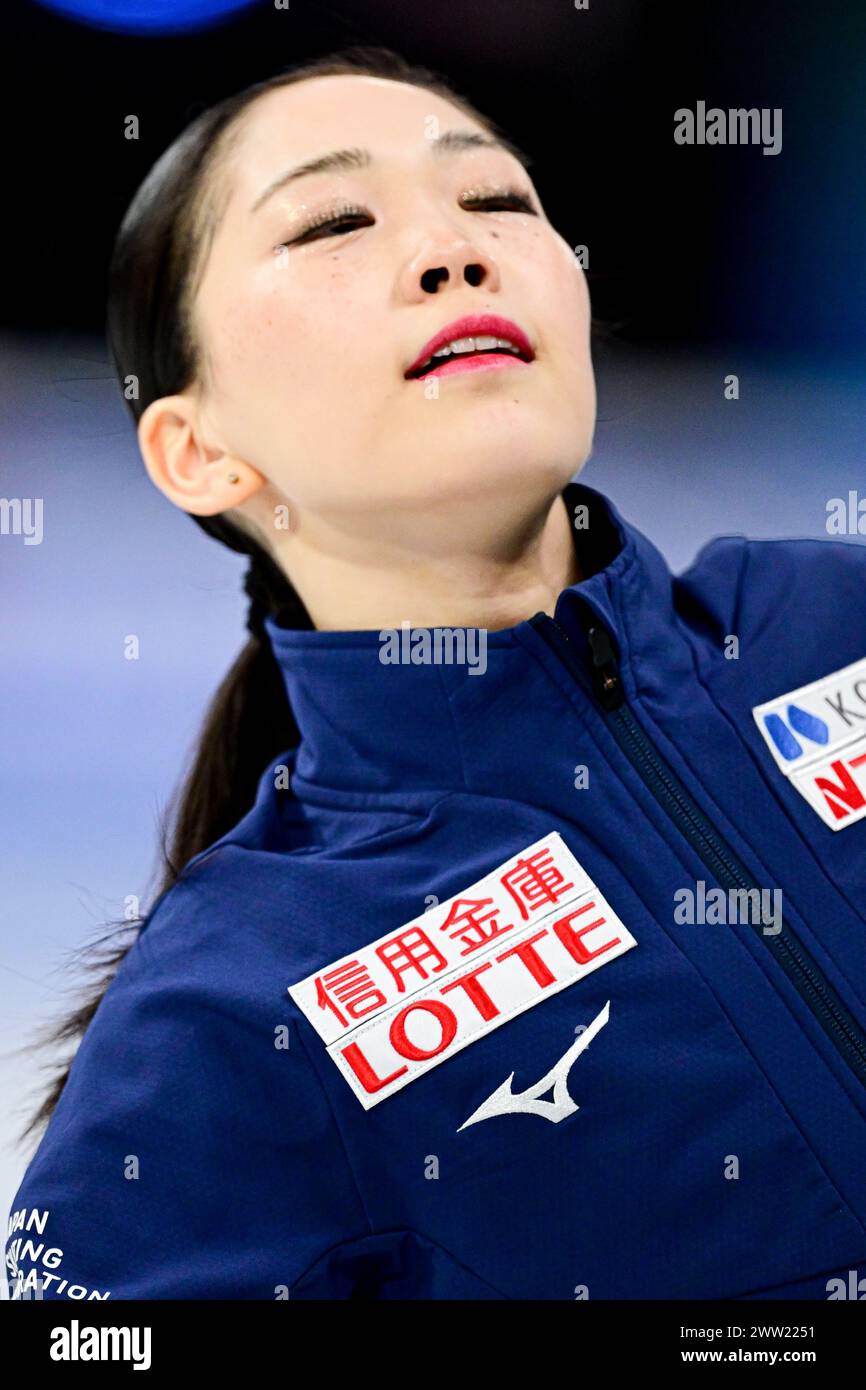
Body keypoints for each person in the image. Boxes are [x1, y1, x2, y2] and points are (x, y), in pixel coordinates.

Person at [6, 45, 866, 1302]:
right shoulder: (224, 1018)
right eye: (334, 222)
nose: (453, 250)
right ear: (198, 452)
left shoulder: (835, 620)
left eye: (497, 200)